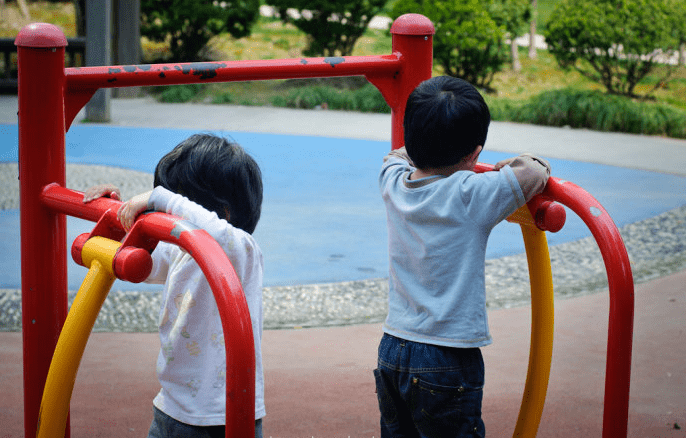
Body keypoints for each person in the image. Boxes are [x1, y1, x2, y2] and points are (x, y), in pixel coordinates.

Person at [374, 76, 551, 438]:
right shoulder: (471, 193)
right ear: (474, 152)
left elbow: (395, 155)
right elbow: (534, 171)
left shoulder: (392, 182)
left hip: (393, 347)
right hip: (447, 355)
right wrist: (508, 164)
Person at [84, 133, 265, 438]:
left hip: (222, 413)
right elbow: (140, 263)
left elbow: (214, 232)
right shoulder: (184, 251)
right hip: (172, 406)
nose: (169, 215)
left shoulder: (241, 249)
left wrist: (160, 198)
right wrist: (117, 214)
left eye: (179, 202)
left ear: (224, 212)